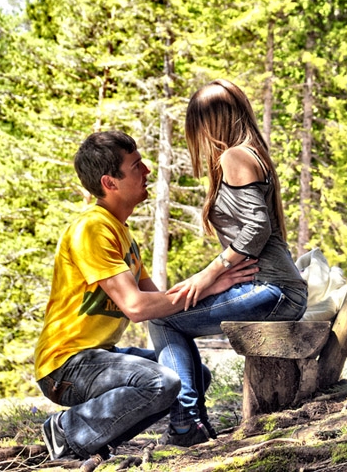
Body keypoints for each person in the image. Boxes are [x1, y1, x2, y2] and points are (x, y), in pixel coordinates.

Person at [34, 130, 257, 461]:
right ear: (110, 183)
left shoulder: (121, 231)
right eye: (136, 165)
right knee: (161, 383)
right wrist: (207, 284)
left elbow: (160, 303)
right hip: (66, 366)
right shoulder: (92, 228)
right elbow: (137, 307)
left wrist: (214, 285)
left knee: (193, 376)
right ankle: (67, 431)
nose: (148, 170)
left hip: (98, 357)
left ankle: (105, 439)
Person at [149, 79, 308, 447]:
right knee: (169, 312)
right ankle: (190, 424)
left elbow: (257, 225)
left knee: (160, 316)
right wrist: (217, 276)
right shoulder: (251, 153)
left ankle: (188, 424)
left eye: (197, 126)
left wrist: (211, 272)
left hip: (274, 290)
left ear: (212, 122)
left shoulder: (235, 156)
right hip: (276, 289)